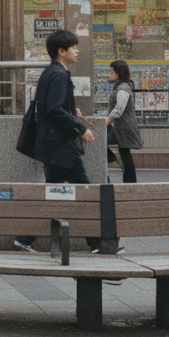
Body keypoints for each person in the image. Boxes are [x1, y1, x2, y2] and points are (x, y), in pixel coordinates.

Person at [15, 30, 120, 254]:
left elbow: (54, 107)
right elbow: (54, 110)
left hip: (52, 145)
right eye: (74, 47)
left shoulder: (51, 72)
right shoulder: (59, 75)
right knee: (86, 194)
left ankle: (25, 239)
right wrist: (80, 128)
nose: (78, 50)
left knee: (56, 193)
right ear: (61, 51)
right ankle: (98, 244)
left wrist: (75, 113)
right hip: (60, 146)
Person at [104, 61, 142, 183]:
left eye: (112, 72)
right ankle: (129, 181)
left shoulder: (123, 88)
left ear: (119, 73)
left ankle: (130, 181)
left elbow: (119, 108)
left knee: (123, 152)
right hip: (120, 127)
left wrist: (107, 121)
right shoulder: (120, 87)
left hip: (124, 127)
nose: (109, 74)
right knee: (123, 152)